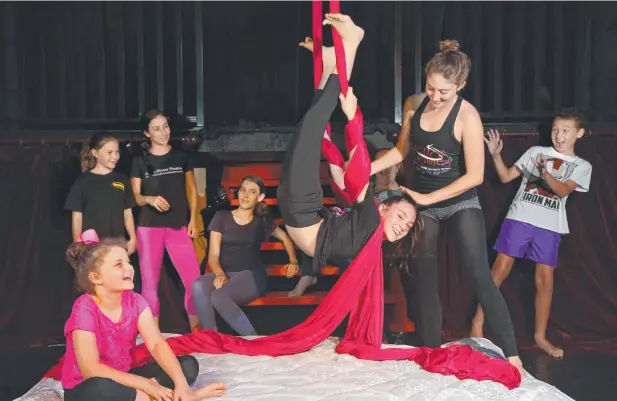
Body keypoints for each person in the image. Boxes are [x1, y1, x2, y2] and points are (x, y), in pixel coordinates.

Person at [370, 39, 523, 373]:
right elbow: (399, 152)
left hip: (459, 202)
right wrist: (365, 170)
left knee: (479, 275)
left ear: (461, 86)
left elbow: (476, 176)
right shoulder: (416, 106)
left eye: (444, 92)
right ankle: (430, 351)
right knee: (424, 279)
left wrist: (425, 199)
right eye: (431, 89)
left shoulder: (467, 116)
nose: (436, 97)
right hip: (424, 205)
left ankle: (513, 354)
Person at [471, 109, 592, 358]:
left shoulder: (582, 166)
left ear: (579, 134)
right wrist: (495, 156)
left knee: (545, 281)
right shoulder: (536, 153)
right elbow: (505, 177)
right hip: (520, 218)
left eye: (565, 131)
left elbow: (562, 191)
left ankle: (540, 336)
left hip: (550, 226)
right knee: (499, 270)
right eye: (556, 129)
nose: (559, 136)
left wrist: (546, 174)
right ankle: (477, 324)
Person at [60, 229, 226, 401]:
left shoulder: (136, 301)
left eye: (128, 262)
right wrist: (146, 384)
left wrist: (182, 385)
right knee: (100, 388)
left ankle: (166, 396)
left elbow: (156, 344)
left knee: (187, 366)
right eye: (119, 264)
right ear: (96, 278)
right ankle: (146, 396)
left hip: (123, 377)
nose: (130, 268)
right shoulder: (84, 308)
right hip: (87, 386)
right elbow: (91, 370)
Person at [192, 175, 299, 335]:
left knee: (219, 297)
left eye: (252, 192)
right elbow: (213, 255)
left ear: (260, 197)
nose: (245, 195)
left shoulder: (261, 222)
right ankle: (210, 337)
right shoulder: (222, 217)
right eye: (243, 190)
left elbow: (284, 237)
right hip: (225, 272)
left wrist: (293, 260)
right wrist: (220, 273)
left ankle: (253, 339)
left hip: (251, 276)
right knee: (198, 285)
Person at [130, 110, 201, 330]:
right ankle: (153, 338)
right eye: (156, 128)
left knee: (194, 283)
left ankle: (198, 333)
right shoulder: (139, 162)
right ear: (146, 133)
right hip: (149, 228)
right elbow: (135, 197)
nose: (163, 132)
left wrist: (194, 220)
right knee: (150, 285)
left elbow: (192, 190)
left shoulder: (182, 157)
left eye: (165, 127)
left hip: (178, 226)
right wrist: (150, 199)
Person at [65, 133, 137, 254]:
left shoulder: (122, 180)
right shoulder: (82, 182)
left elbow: (127, 212)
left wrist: (133, 238)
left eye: (117, 152)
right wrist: (77, 245)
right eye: (109, 152)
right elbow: (77, 216)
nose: (115, 156)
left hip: (118, 245)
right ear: (95, 153)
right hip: (92, 248)